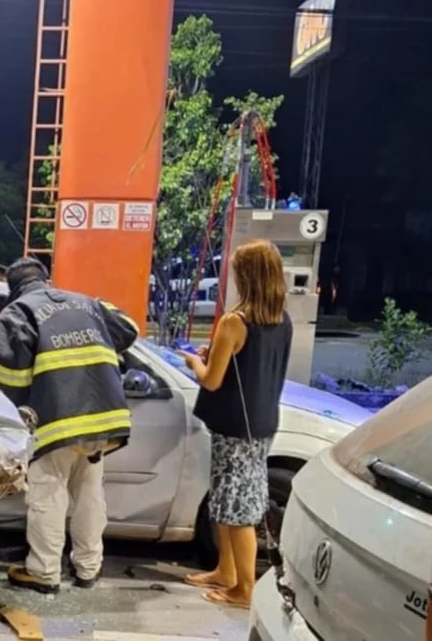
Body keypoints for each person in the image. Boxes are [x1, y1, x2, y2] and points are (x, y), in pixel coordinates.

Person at [0, 257, 139, 594]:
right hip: (104, 419)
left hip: (57, 421)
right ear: (47, 279)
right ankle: (88, 568)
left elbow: (11, 380)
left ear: (12, 288)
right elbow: (128, 328)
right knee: (89, 493)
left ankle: (44, 573)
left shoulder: (17, 314)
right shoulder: (87, 302)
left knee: (48, 495)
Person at [181, 239, 292, 609]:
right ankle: (225, 572)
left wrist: (194, 363)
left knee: (238, 512)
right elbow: (244, 368)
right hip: (260, 424)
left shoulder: (235, 322)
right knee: (228, 504)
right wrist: (215, 357)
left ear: (247, 276)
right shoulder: (281, 321)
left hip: (234, 429)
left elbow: (211, 380)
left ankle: (244, 590)